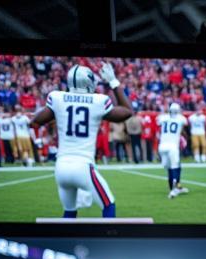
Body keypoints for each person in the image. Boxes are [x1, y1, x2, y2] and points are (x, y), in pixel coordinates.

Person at [31, 63, 132, 219]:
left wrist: (57, 115)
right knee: (108, 204)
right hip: (83, 167)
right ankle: (108, 241)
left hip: (61, 167)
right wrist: (113, 81)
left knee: (69, 212)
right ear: (89, 82)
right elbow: (127, 112)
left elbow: (35, 122)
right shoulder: (98, 101)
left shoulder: (57, 98)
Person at [157, 100, 189, 198]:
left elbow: (159, 122)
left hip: (162, 146)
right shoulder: (181, 118)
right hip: (172, 146)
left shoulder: (162, 118)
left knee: (170, 168)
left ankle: (174, 187)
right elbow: (185, 124)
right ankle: (174, 190)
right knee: (174, 167)